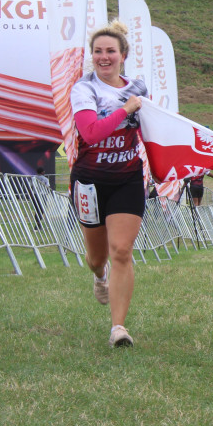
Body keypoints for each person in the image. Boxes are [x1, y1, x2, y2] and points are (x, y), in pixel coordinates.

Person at [69, 20, 149, 348]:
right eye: (98, 51)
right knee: (96, 257)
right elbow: (90, 132)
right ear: (92, 56)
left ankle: (119, 328)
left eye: (110, 51)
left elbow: (156, 130)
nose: (104, 57)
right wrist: (125, 108)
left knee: (122, 249)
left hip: (127, 178)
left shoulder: (140, 88)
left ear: (123, 55)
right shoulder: (84, 89)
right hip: (89, 181)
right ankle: (98, 276)